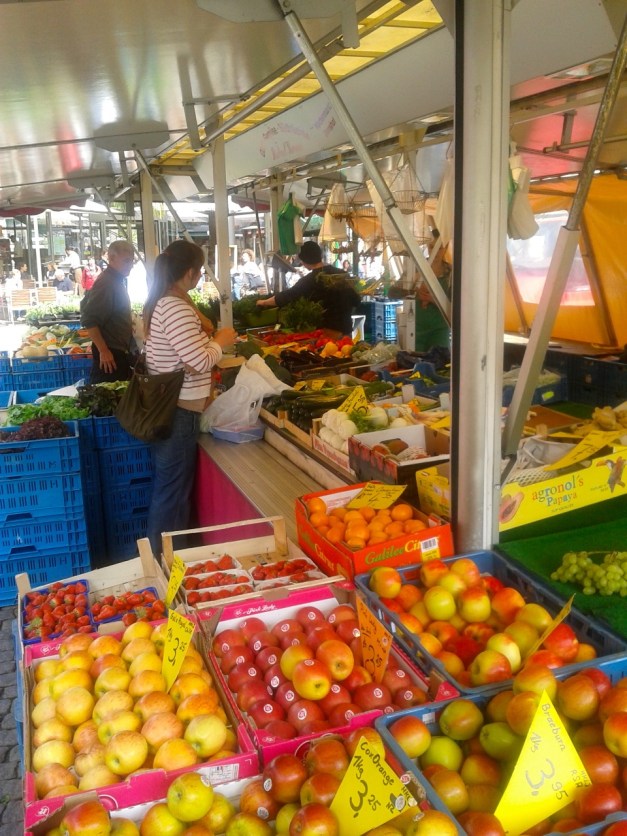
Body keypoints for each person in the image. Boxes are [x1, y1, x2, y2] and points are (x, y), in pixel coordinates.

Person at [143, 240, 237, 554]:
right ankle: (166, 563)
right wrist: (220, 341)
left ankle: (168, 558)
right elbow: (197, 361)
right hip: (180, 411)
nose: (199, 277)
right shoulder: (175, 307)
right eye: (199, 271)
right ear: (189, 272)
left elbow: (184, 355)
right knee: (172, 494)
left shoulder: (163, 301)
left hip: (171, 408)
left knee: (170, 490)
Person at [256, 240, 360, 336]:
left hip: (327, 333)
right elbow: (356, 300)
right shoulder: (342, 274)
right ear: (320, 255)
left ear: (304, 261)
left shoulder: (309, 281)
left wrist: (263, 302)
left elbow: (287, 296)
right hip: (346, 329)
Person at [80, 239, 135, 383]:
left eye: (132, 261)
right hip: (110, 356)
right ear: (111, 258)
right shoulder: (107, 283)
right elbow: (89, 320)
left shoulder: (115, 280)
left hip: (117, 352)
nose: (130, 265)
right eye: (126, 261)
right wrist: (104, 351)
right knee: (108, 393)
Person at [414, 229, 451, 353]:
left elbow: (457, 306)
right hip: (416, 329)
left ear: (445, 248)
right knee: (414, 362)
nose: (435, 252)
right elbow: (392, 293)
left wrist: (434, 299)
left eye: (439, 248)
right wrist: (414, 292)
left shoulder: (451, 273)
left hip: (440, 330)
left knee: (439, 361)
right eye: (431, 247)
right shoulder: (416, 268)